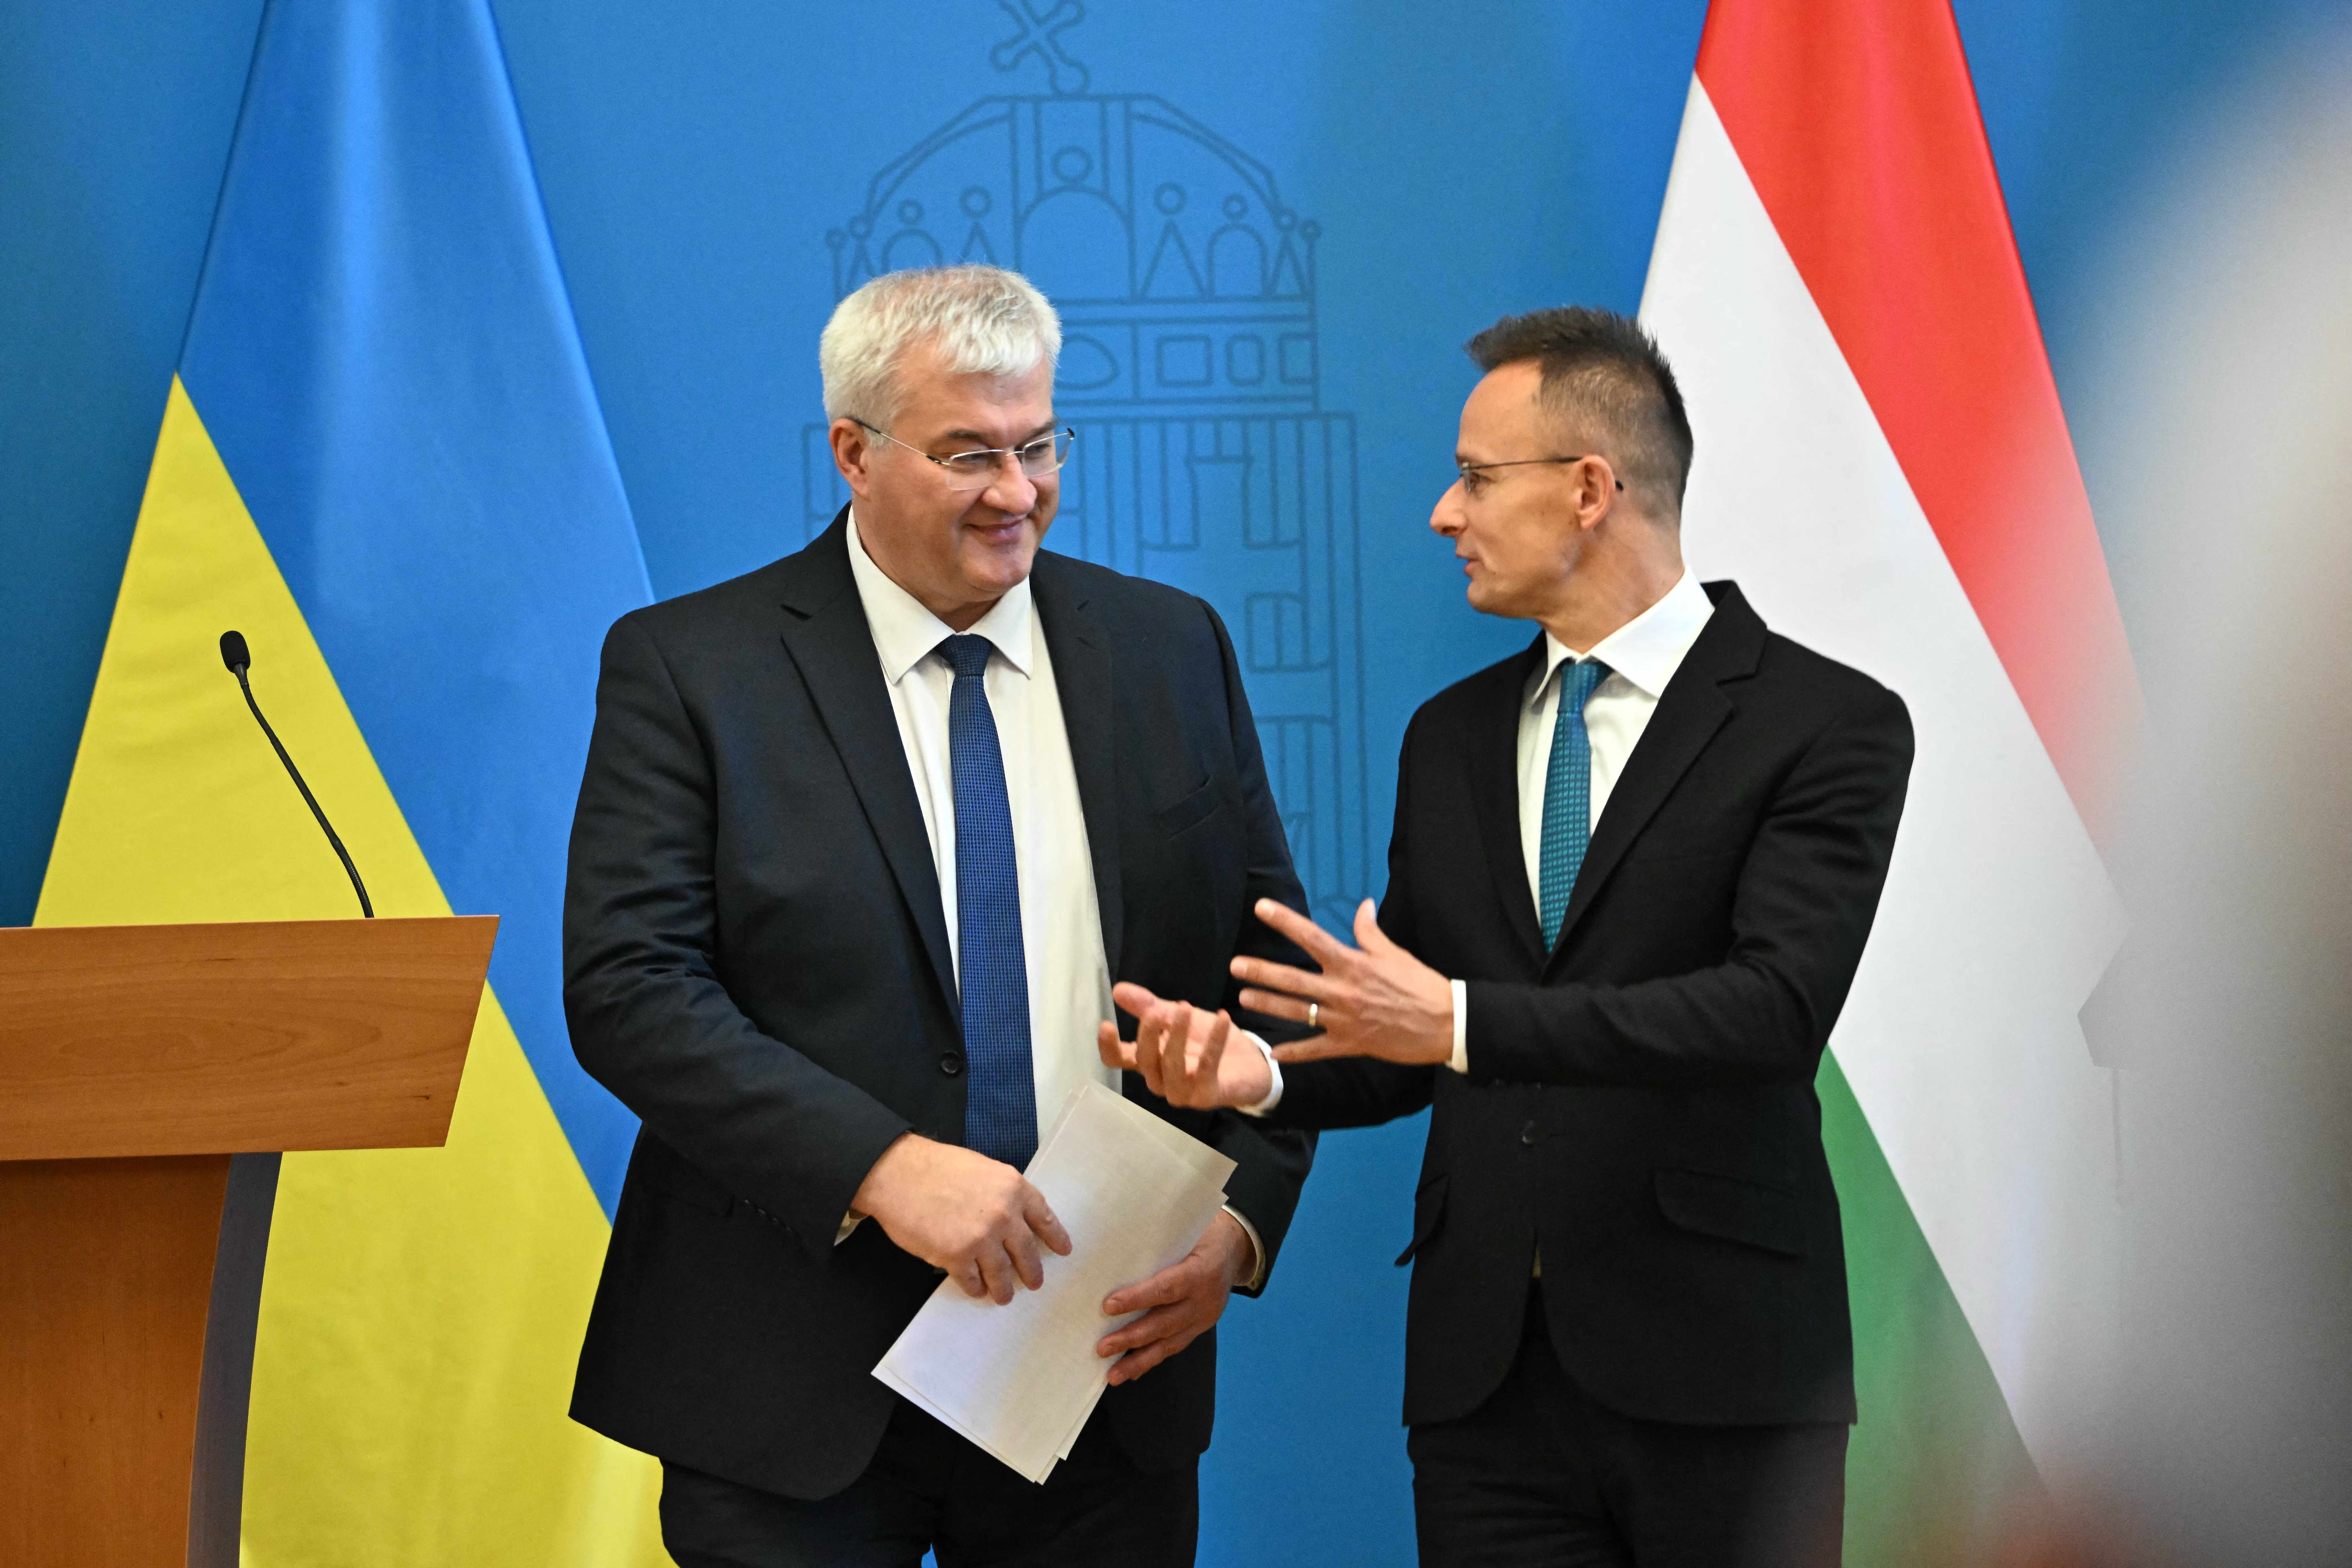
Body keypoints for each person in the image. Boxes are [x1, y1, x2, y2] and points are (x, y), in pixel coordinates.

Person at [1104, 307, 1914, 1566]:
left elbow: (1771, 1010)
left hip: (1726, 1370)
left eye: (1478, 478)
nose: (1443, 511)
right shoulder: (1453, 735)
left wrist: (1463, 1021)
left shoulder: (1826, 722)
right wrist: (1256, 1070)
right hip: (1485, 1387)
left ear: (1591, 489)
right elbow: (1406, 1039)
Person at [562, 263, 1316, 1567]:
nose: (1017, 492)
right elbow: (631, 987)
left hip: (1098, 1370)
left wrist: (1240, 1225)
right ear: (854, 452)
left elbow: (1273, 981)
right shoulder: (694, 667)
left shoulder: (1167, 648)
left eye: (1037, 445)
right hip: (789, 1372)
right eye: (969, 452)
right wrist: (881, 1165)